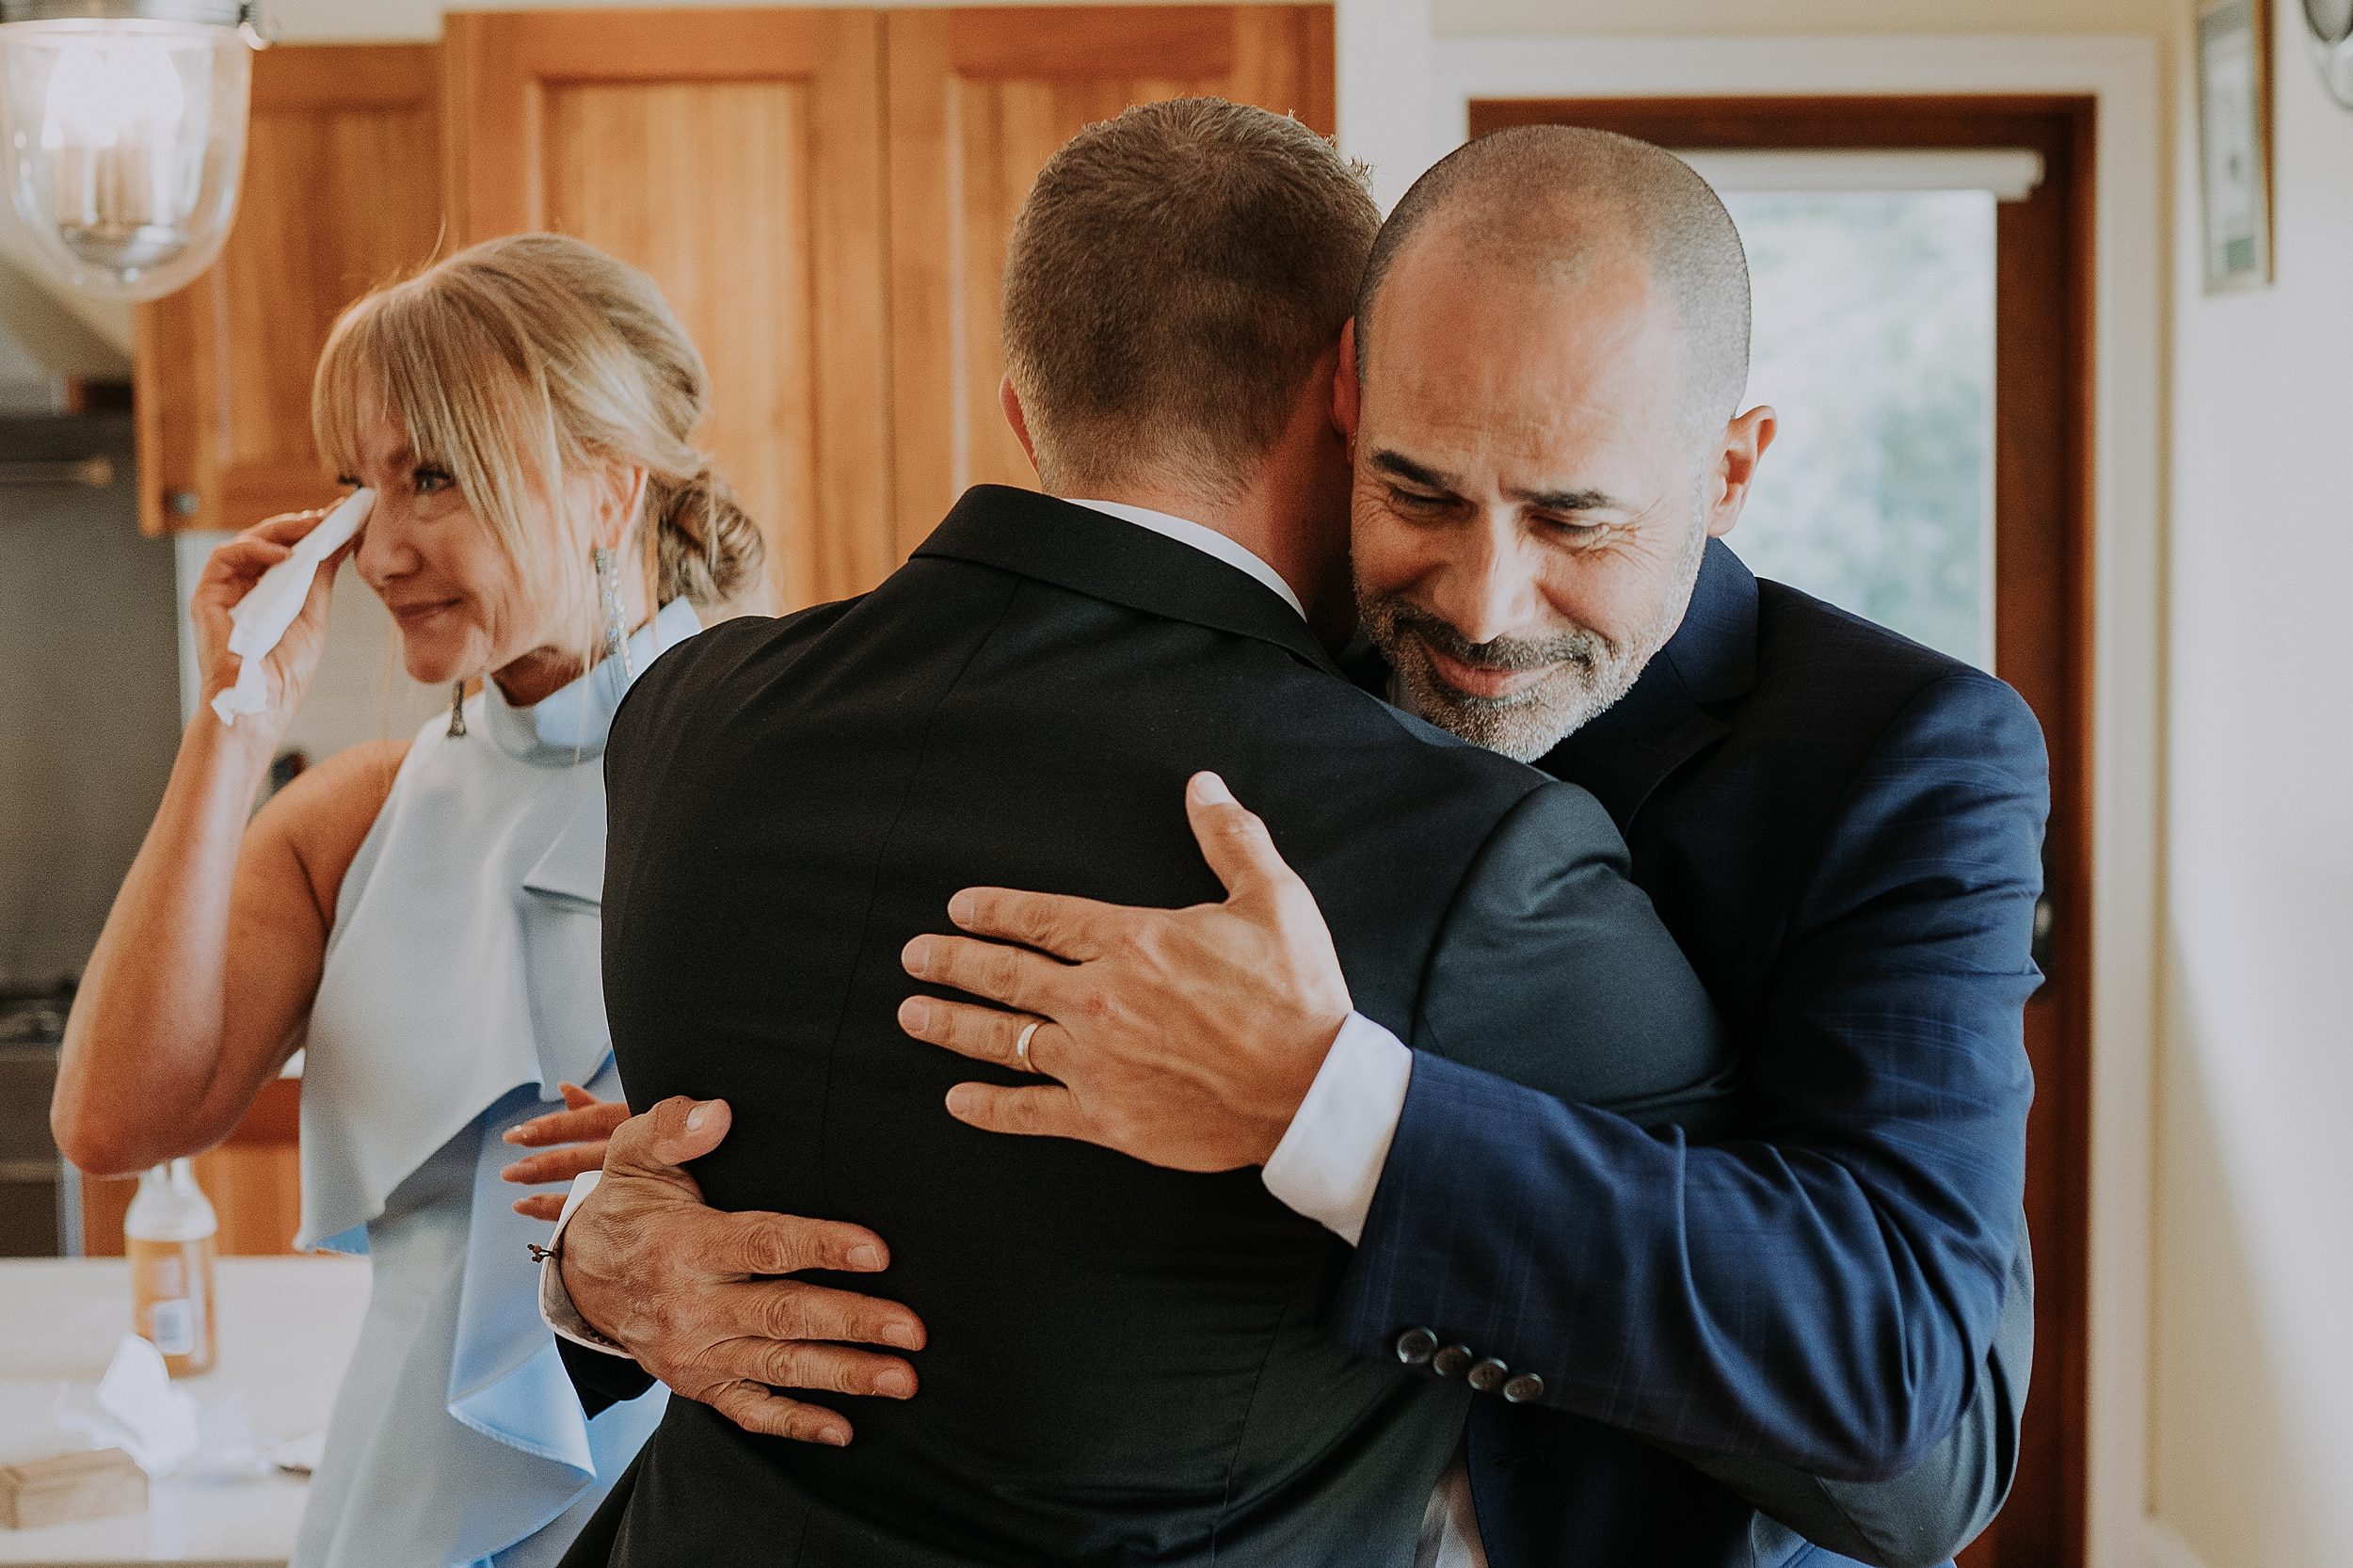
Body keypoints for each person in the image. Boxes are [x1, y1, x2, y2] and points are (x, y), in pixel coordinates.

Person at [547, 105, 2026, 1568]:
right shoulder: (1264, 663)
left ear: (1730, 468)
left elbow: (1926, 1438)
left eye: (1574, 522)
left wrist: (1335, 1105)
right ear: (1345, 409)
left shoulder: (1905, 762)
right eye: (1416, 489)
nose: (1480, 605)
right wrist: (587, 1272)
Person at [51, 232, 763, 1568]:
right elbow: (112, 1118)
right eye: (357, 483)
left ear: (607, 491)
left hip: (696, 1517)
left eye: (430, 476)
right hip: (389, 1515)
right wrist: (230, 721)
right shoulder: (353, 816)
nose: (376, 549)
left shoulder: (782, 784)